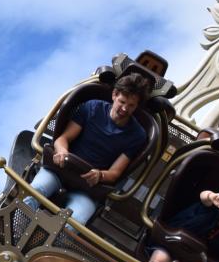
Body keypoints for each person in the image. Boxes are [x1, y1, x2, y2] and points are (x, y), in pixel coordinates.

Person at [29, 73, 152, 224]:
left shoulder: (137, 135)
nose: (125, 109)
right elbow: (63, 139)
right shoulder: (92, 108)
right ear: (114, 95)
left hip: (88, 188)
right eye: (122, 102)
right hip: (60, 171)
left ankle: (53, 240)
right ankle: (15, 226)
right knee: (35, 190)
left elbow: (115, 172)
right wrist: (62, 151)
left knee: (78, 220)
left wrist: (100, 175)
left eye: (131, 105)